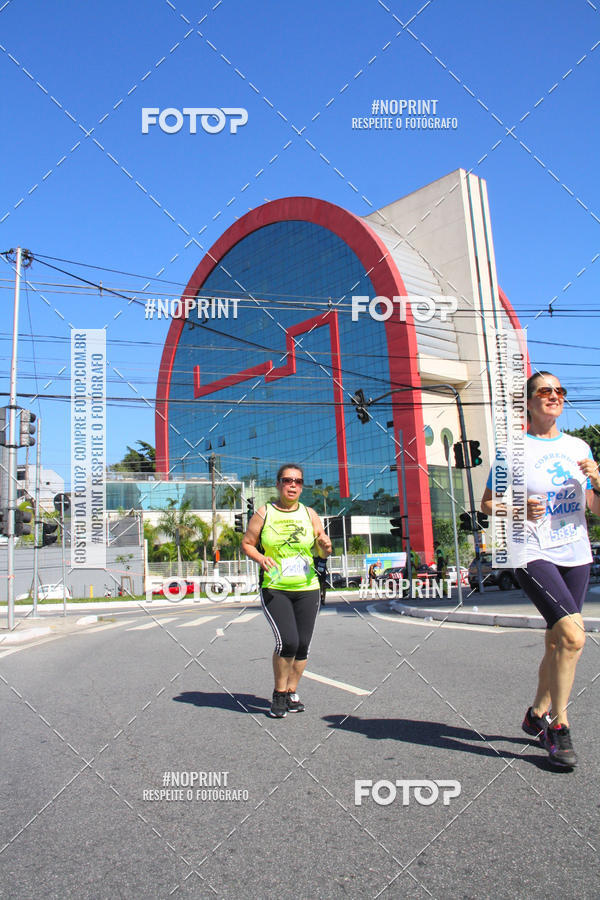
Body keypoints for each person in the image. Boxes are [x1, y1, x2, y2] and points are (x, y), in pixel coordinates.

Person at [481, 371, 600, 767]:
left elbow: (596, 510)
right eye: (544, 391)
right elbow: (487, 504)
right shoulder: (513, 449)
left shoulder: (579, 446)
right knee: (573, 635)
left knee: (557, 641)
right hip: (531, 551)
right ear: (528, 403)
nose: (554, 396)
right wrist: (517, 508)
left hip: (576, 552)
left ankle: (535, 713)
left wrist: (598, 481)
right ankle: (558, 725)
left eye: (559, 391)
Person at [241, 464, 332, 718]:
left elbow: (323, 548)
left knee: (302, 645)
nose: (293, 485)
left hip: (308, 587)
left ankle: (292, 692)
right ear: (279, 485)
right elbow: (247, 544)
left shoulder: (310, 514)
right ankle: (279, 694)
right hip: (276, 587)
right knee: (288, 641)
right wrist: (260, 558)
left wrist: (326, 545)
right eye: (287, 480)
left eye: (298, 481)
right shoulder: (265, 513)